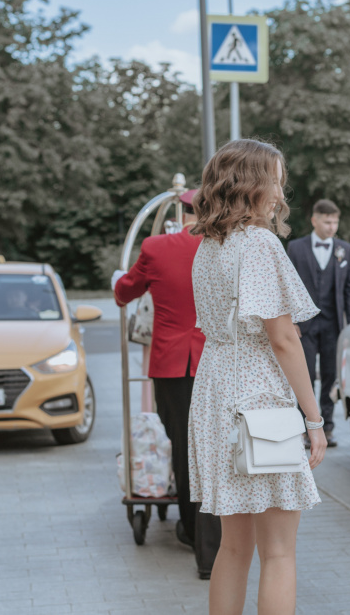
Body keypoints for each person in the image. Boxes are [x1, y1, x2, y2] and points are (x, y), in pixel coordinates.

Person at [188, 138, 326, 615]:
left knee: (233, 548)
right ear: (251, 185)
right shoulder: (259, 243)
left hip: (215, 392)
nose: (281, 192)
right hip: (257, 398)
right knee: (279, 552)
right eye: (275, 181)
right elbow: (283, 339)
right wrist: (314, 419)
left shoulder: (209, 246)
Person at [112, 189, 222, 579]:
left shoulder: (156, 247)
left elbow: (124, 292)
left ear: (181, 211)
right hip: (215, 362)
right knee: (212, 451)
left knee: (184, 449)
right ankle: (213, 544)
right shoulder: (224, 245)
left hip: (172, 365)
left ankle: (192, 531)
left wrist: (118, 280)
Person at [286, 200, 350, 447]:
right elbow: (287, 286)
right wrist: (291, 320)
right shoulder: (296, 248)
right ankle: (306, 428)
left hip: (333, 325)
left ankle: (327, 428)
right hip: (304, 326)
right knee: (304, 375)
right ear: (314, 220)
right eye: (327, 222)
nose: (332, 227)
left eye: (335, 222)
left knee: (330, 376)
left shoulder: (346, 250)